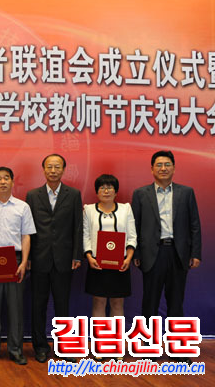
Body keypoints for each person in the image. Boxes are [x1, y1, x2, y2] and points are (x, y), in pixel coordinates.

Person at [131, 150, 201, 364]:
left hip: (178, 253)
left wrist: (195, 253)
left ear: (174, 168)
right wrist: (137, 253)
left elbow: (195, 225)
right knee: (149, 303)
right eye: (159, 165)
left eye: (167, 164)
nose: (163, 168)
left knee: (176, 303)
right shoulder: (141, 194)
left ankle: (178, 350)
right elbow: (135, 226)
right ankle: (147, 349)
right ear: (152, 169)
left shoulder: (186, 192)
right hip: (153, 253)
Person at [25, 153, 82, 363]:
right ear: (43, 170)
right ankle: (40, 347)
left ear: (63, 170)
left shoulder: (73, 194)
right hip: (39, 258)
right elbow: (28, 229)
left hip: (64, 259)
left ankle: (64, 347)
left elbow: (78, 226)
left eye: (57, 167)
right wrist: (28, 256)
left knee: (62, 305)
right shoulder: (33, 195)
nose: (53, 170)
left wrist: (76, 255)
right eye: (49, 166)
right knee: (38, 305)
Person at [0, 167, 36, 365]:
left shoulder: (22, 207)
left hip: (15, 260)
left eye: (6, 178)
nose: (2, 182)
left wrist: (24, 261)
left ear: (12, 181)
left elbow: (26, 235)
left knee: (15, 308)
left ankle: (16, 350)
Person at [83, 174, 136, 360]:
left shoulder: (126, 209)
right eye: (102, 187)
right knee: (98, 302)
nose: (106, 191)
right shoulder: (88, 210)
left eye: (110, 187)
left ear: (116, 191)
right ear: (96, 191)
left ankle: (116, 345)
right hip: (97, 263)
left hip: (120, 263)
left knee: (117, 303)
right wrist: (89, 256)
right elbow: (85, 236)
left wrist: (129, 258)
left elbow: (132, 236)